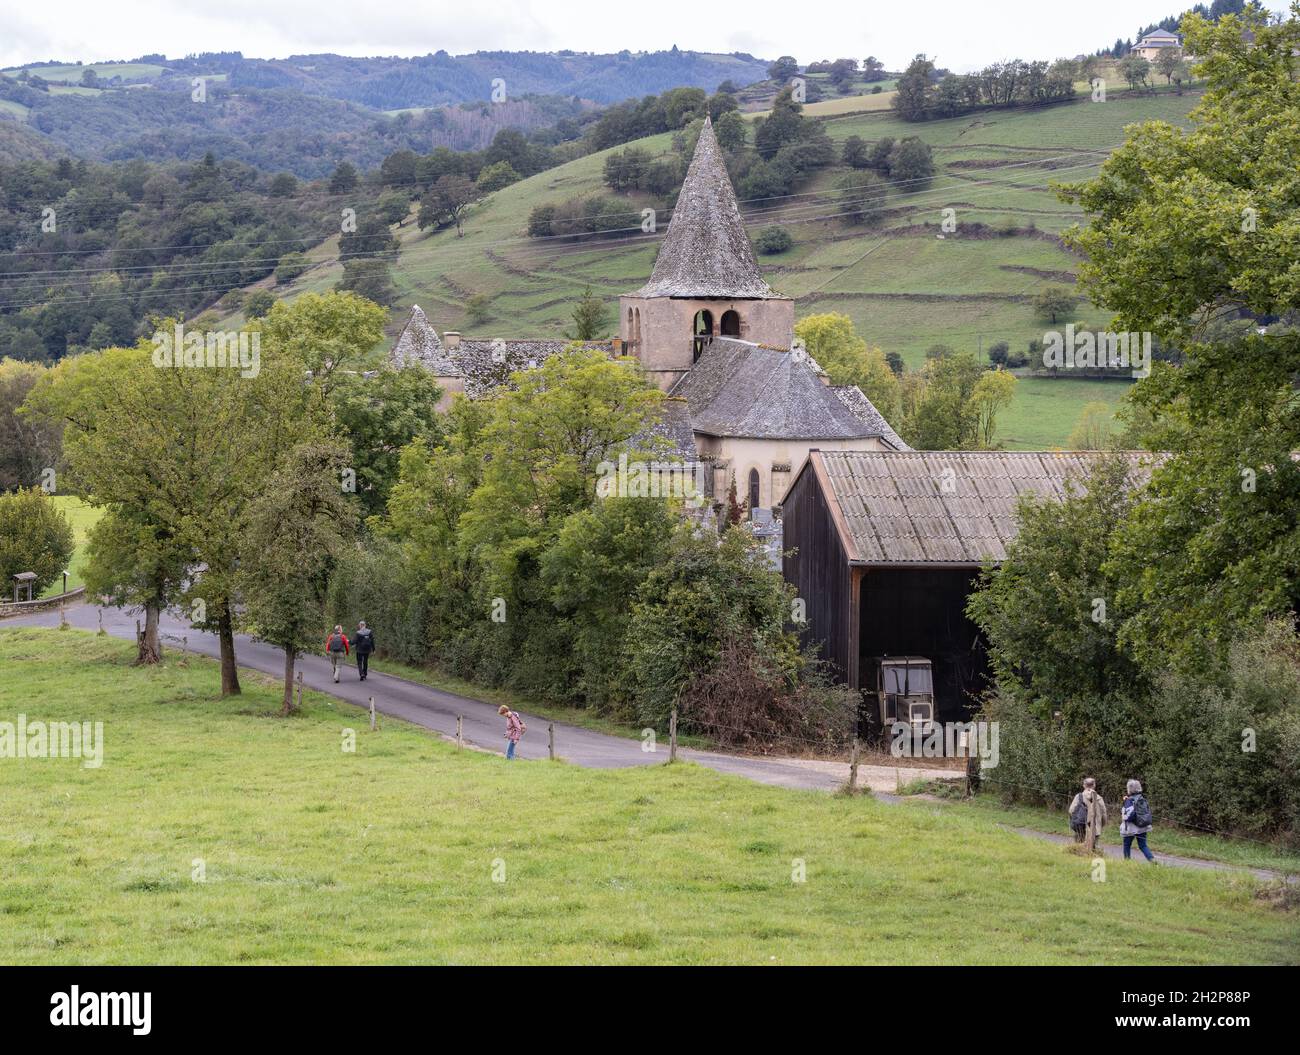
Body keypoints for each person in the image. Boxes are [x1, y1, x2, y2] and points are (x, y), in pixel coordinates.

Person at [1121, 779, 1157, 862]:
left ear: (1129, 789)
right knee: (1143, 845)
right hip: (1143, 825)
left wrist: (1126, 817)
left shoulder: (1129, 800)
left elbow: (1129, 815)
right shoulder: (1142, 798)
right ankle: (1152, 860)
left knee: (1127, 845)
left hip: (1131, 827)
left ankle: (1127, 863)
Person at [1067, 777, 1107, 850]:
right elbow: (1104, 815)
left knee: (1078, 848)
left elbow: (1071, 810)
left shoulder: (1078, 797)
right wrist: (1101, 825)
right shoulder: (1099, 798)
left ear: (1084, 785)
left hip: (1080, 826)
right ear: (1094, 785)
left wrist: (1075, 820)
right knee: (1093, 849)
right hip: (1095, 829)